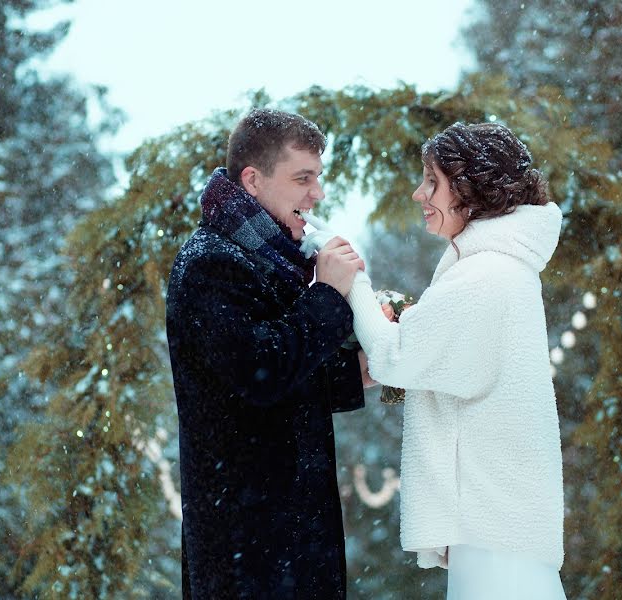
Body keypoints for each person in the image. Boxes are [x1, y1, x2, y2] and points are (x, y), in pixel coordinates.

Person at [346, 122, 567, 599]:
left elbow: (394, 356)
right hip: (500, 525)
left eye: (432, 180)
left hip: (493, 530)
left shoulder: (485, 275)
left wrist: (353, 286)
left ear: (471, 188)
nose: (418, 193)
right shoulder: (500, 270)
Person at [165, 108, 371, 598]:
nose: (316, 194)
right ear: (253, 180)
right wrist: (328, 295)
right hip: (248, 548)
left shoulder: (270, 261)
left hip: (288, 539)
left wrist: (357, 372)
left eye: (317, 178)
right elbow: (260, 373)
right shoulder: (210, 264)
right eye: (303, 178)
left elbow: (277, 377)